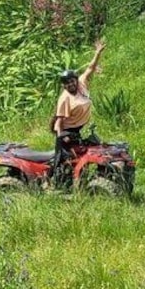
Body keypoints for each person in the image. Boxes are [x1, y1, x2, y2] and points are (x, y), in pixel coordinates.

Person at [51, 39, 106, 183]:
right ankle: (57, 183)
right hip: (68, 132)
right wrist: (61, 136)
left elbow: (90, 68)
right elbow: (59, 122)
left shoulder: (81, 84)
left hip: (80, 129)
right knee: (64, 159)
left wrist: (97, 53)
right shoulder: (64, 99)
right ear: (64, 86)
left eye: (72, 81)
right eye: (67, 83)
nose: (71, 84)